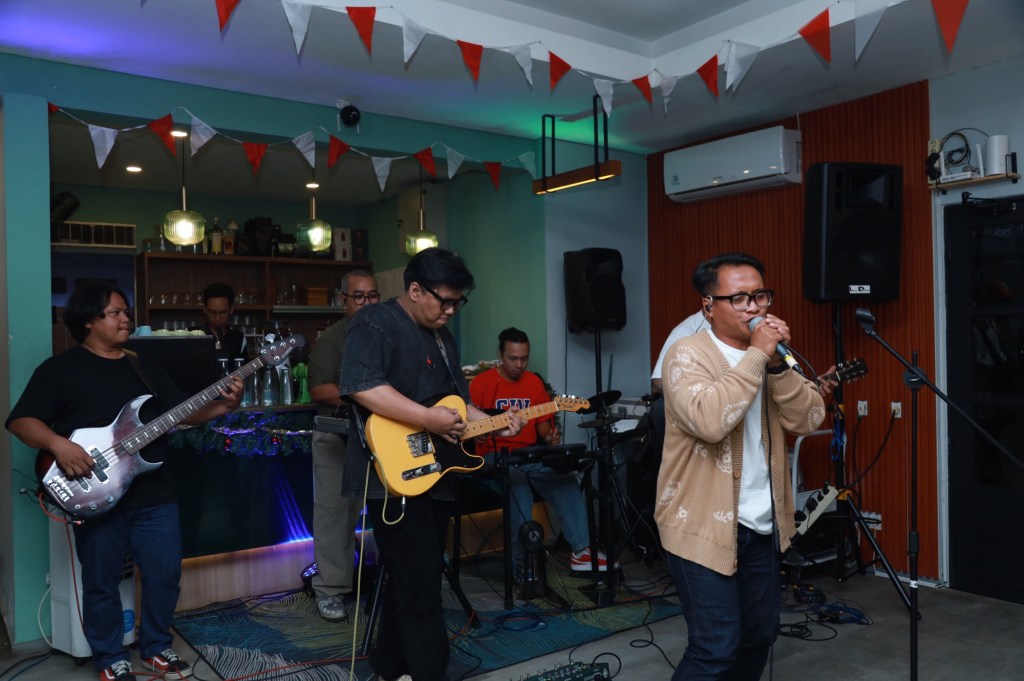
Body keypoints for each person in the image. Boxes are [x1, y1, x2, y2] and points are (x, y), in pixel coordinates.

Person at [6, 281, 243, 681]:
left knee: (165, 575)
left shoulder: (142, 364)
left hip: (154, 491)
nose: (125, 318)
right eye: (114, 312)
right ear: (88, 321)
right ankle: (109, 657)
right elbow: (21, 421)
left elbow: (180, 413)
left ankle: (156, 648)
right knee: (101, 581)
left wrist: (224, 406)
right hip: (95, 493)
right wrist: (59, 445)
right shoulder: (59, 369)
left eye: (126, 311)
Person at [340, 248, 522, 681]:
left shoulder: (442, 337)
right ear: (415, 290)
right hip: (392, 476)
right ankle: (428, 672)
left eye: (458, 302)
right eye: (445, 300)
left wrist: (493, 423)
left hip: (437, 472)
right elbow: (362, 386)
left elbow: (456, 406)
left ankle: (390, 667)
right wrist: (426, 418)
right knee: (420, 583)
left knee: (412, 578)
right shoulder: (375, 321)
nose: (451, 310)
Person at [654, 253, 826, 680]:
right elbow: (711, 422)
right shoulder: (686, 354)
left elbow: (808, 419)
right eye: (739, 298)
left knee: (758, 636)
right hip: (700, 524)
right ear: (708, 305)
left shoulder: (772, 358)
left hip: (762, 525)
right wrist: (756, 357)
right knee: (715, 647)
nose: (754, 307)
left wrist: (775, 364)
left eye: (760, 295)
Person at [470, 327, 615, 573]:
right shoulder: (481, 383)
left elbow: (543, 427)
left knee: (565, 480)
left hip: (528, 454)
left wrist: (549, 436)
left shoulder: (533, 383)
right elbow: (468, 424)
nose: (519, 365)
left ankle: (582, 551)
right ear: (500, 355)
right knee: (517, 486)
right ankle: (522, 561)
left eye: (524, 358)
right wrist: (481, 431)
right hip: (493, 456)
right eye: (513, 358)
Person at [306, 269, 380, 621]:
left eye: (372, 296)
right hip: (337, 436)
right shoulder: (332, 339)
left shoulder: (386, 333)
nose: (366, 303)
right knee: (335, 516)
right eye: (358, 296)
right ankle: (330, 591)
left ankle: (390, 581)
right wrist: (368, 398)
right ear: (344, 300)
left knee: (389, 509)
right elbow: (319, 389)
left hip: (382, 436)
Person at [651, 310, 706, 394]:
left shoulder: (723, 331)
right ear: (708, 304)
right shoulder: (685, 331)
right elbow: (658, 381)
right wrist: (689, 398)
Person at [198, 283, 248, 366]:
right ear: (204, 309)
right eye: (212, 312)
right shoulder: (191, 335)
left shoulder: (238, 338)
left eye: (223, 312)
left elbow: (244, 368)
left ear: (231, 309)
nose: (217, 318)